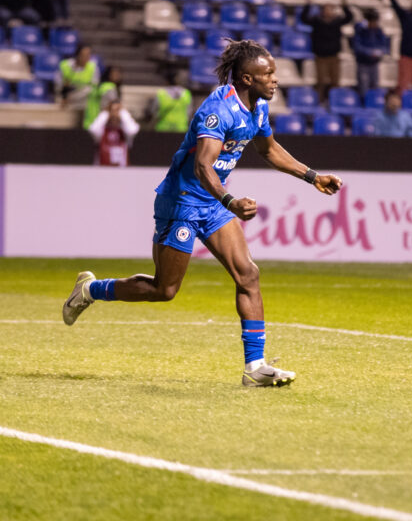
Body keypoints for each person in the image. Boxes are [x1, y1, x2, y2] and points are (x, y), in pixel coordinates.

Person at [62, 40, 344, 387]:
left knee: (248, 275)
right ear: (245, 78)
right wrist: (231, 202)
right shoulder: (219, 109)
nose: (274, 80)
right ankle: (91, 290)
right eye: (267, 74)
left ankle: (254, 368)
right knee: (164, 290)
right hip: (181, 202)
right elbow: (202, 165)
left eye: (274, 73)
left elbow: (268, 149)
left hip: (211, 204)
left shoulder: (256, 108)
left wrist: (313, 176)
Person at [300, 4, 354, 104]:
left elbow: (349, 18)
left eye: (330, 10)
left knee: (335, 81)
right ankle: (319, 102)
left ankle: (334, 102)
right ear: (322, 11)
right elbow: (304, 19)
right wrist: (307, 6)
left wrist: (345, 6)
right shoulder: (316, 21)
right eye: (326, 10)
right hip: (320, 57)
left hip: (334, 56)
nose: (328, 12)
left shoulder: (337, 21)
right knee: (321, 81)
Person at [88, 99, 140, 166]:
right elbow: (93, 129)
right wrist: (105, 114)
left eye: (118, 110)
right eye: (112, 111)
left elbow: (132, 130)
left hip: (121, 168)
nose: (114, 114)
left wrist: (124, 114)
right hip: (102, 167)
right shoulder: (101, 130)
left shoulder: (125, 130)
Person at [350, 8, 388, 97]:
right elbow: (357, 47)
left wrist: (380, 52)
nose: (374, 24)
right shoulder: (360, 30)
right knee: (363, 87)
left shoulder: (378, 31)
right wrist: (369, 52)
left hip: (374, 63)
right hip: (363, 63)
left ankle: (372, 106)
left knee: (374, 86)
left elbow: (385, 46)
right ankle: (363, 106)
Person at [53, 44, 98, 111]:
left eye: (88, 55)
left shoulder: (93, 67)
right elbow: (58, 85)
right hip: (66, 95)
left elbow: (94, 86)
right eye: (83, 55)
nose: (86, 57)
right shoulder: (65, 65)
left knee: (90, 90)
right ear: (77, 55)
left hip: (83, 97)